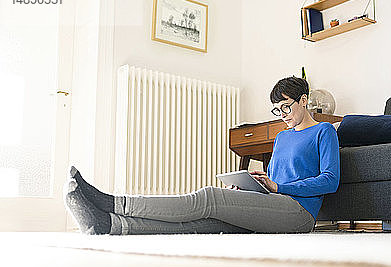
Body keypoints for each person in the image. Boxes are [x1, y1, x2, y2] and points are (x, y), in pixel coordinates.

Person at [64, 76, 340, 235]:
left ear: (304, 100)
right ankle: (110, 224)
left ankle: (115, 203)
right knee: (205, 223)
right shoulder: (281, 137)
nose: (282, 116)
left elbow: (329, 181)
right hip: (274, 204)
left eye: (286, 107)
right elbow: (276, 182)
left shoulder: (323, 131)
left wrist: (278, 186)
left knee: (209, 197)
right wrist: (255, 186)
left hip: (300, 214)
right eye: (276, 110)